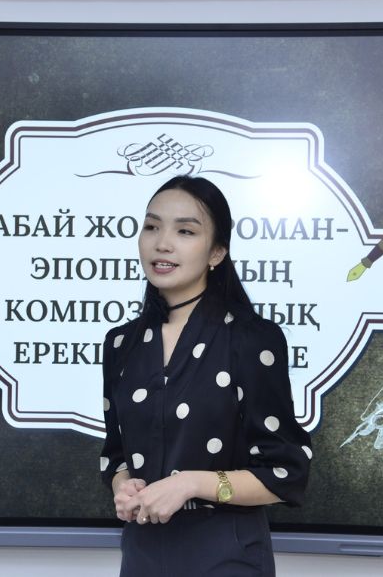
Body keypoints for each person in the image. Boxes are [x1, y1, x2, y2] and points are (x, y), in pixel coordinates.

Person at [100, 175, 312, 576]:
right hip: (142, 553)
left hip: (225, 553)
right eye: (152, 227)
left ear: (217, 252)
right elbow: (115, 455)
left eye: (185, 231)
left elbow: (285, 472)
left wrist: (192, 484)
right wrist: (123, 486)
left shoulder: (252, 338)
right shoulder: (121, 344)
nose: (162, 243)